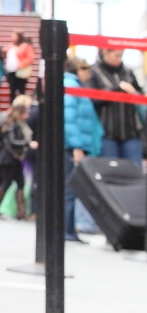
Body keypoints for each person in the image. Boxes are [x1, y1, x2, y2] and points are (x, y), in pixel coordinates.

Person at [63, 63, 103, 243]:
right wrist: (76, 146)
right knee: (71, 190)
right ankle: (67, 230)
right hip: (73, 147)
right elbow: (69, 119)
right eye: (86, 70)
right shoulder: (72, 86)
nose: (89, 74)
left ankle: (69, 230)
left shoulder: (76, 86)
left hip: (77, 145)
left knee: (72, 189)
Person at [91, 52, 145, 160]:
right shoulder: (94, 72)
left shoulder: (128, 72)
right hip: (106, 133)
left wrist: (133, 92)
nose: (119, 59)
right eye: (117, 55)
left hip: (131, 132)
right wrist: (117, 89)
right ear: (106, 53)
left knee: (134, 172)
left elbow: (141, 97)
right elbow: (93, 99)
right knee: (110, 172)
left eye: (121, 55)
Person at [0, 99, 34, 217]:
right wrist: (27, 143)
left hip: (14, 159)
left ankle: (20, 211)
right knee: (6, 183)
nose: (27, 115)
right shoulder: (12, 126)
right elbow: (12, 142)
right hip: (8, 159)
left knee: (19, 183)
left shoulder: (16, 125)